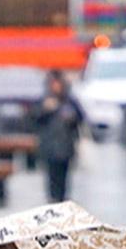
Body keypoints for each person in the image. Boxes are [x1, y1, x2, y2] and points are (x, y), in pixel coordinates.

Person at [34, 71, 85, 204]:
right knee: (51, 178)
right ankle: (53, 200)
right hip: (49, 148)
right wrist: (45, 110)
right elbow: (33, 120)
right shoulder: (44, 101)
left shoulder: (70, 101)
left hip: (65, 148)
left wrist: (71, 118)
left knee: (64, 179)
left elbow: (81, 118)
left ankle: (62, 200)